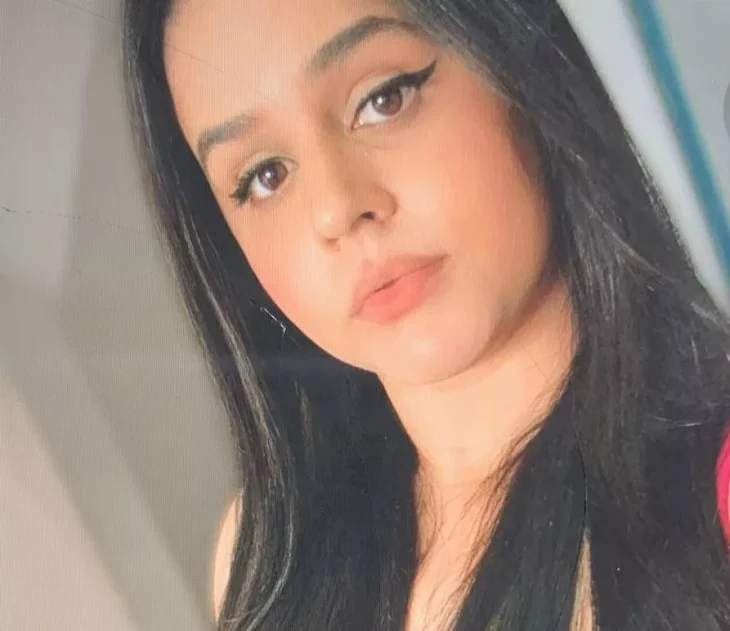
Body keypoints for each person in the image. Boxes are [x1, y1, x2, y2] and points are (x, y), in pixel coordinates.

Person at [122, 1, 730, 629]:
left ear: (515, 60)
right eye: (266, 176)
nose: (336, 208)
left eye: (384, 99)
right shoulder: (262, 559)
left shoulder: (712, 486)